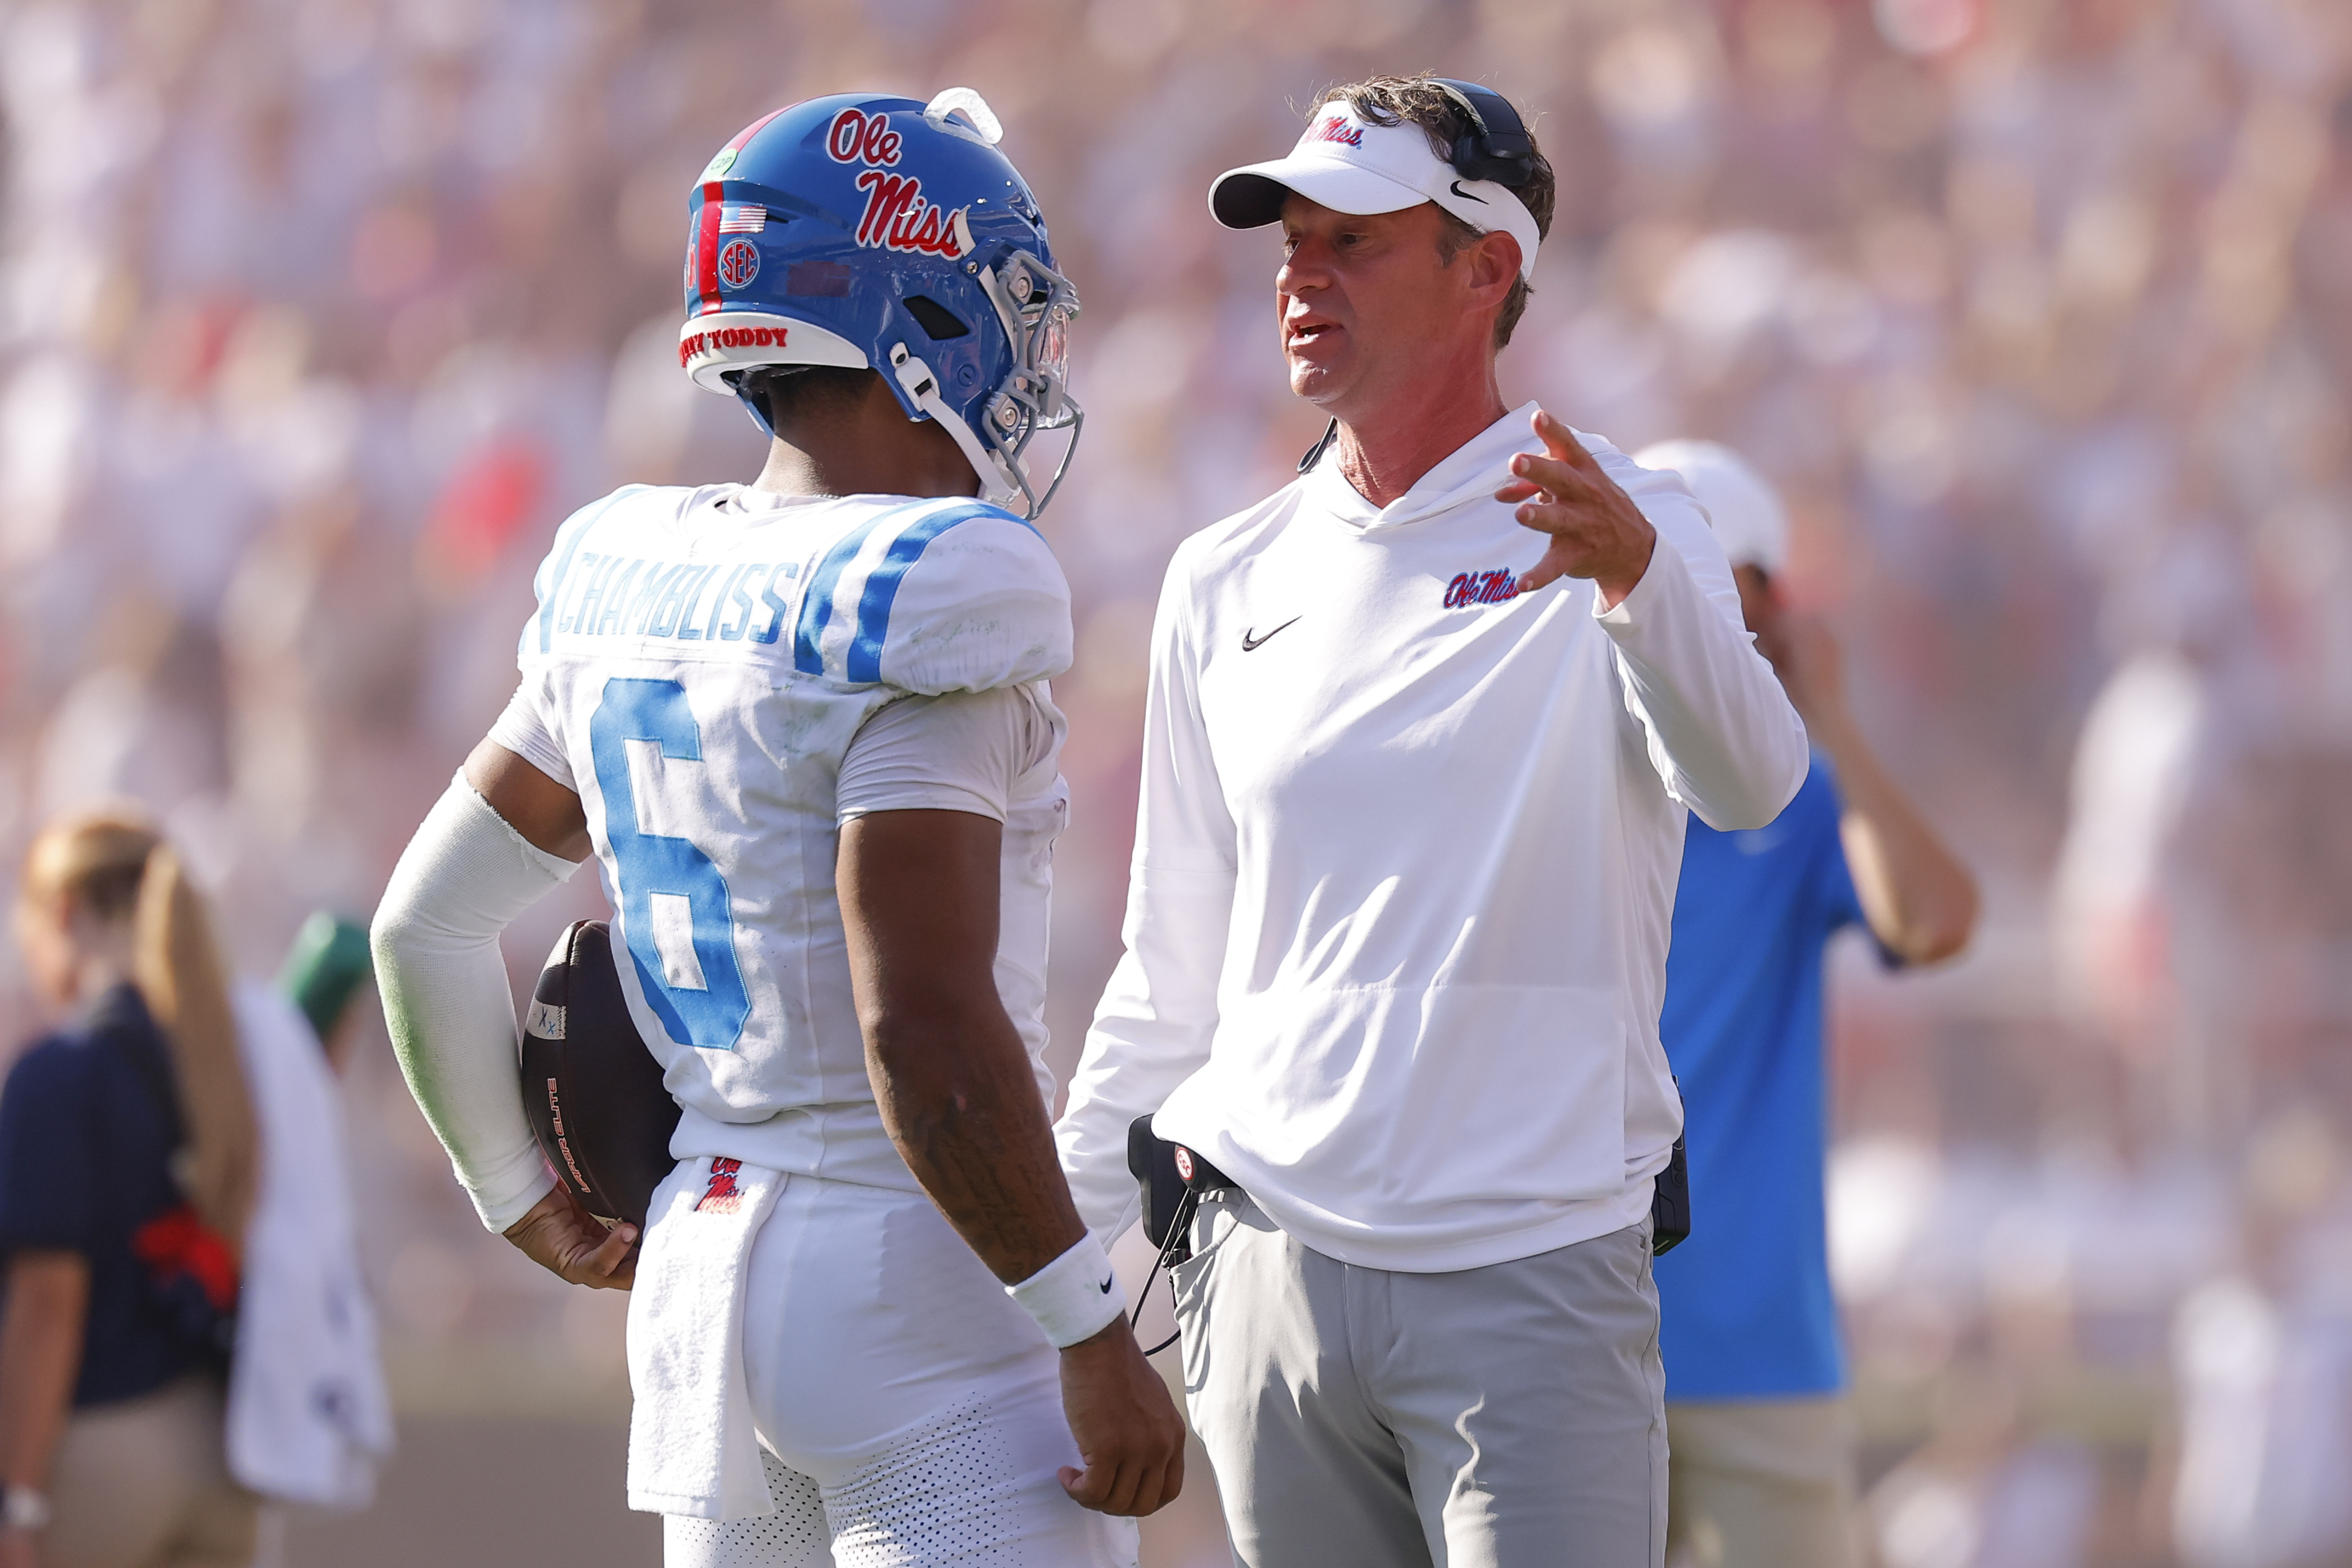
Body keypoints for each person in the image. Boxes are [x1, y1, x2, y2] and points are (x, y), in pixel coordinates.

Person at [369, 89, 1183, 1568]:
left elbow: (419, 928)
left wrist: (517, 1201)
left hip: (703, 1281)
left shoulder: (630, 569)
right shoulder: (936, 579)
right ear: (913, 311)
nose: (1020, 351)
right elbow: (920, 1030)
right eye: (998, 301)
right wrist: (1086, 1320)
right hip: (921, 1277)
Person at [1053, 75, 1809, 1568]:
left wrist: (1639, 583)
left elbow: (1754, 783)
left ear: (1487, 269)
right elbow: (1169, 970)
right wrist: (1058, 1281)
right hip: (1263, 1278)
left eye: (1352, 242)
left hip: (1530, 1274)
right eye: (1291, 244)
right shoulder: (1222, 574)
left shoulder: (1630, 520)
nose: (1300, 278)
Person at [1632, 440, 1977, 1568]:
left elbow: (1928, 923)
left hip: (1756, 1353)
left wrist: (1827, 717)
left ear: (1769, 604)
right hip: (1570, 1333)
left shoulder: (1799, 797)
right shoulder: (1568, 782)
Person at [0, 813, 258, 1568]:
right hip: (223, 1456)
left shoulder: (61, 1073)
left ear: (62, 913)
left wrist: (16, 1496)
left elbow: (51, 1304)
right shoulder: (225, 1057)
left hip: (99, 1450)